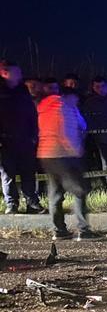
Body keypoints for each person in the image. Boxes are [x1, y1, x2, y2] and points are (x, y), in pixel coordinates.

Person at [37, 87, 95, 240]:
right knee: (80, 190)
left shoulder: (43, 107)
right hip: (64, 155)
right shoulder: (65, 108)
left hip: (46, 155)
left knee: (55, 194)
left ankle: (59, 230)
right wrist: (75, 149)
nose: (77, 102)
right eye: (76, 99)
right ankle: (83, 230)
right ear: (70, 97)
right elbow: (65, 131)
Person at [0, 60, 44, 213]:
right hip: (5, 141)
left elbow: (31, 112)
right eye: (17, 72)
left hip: (25, 139)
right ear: (5, 73)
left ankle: (32, 202)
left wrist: (33, 134)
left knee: (28, 172)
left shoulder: (22, 90)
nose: (20, 75)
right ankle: (12, 204)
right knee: (8, 174)